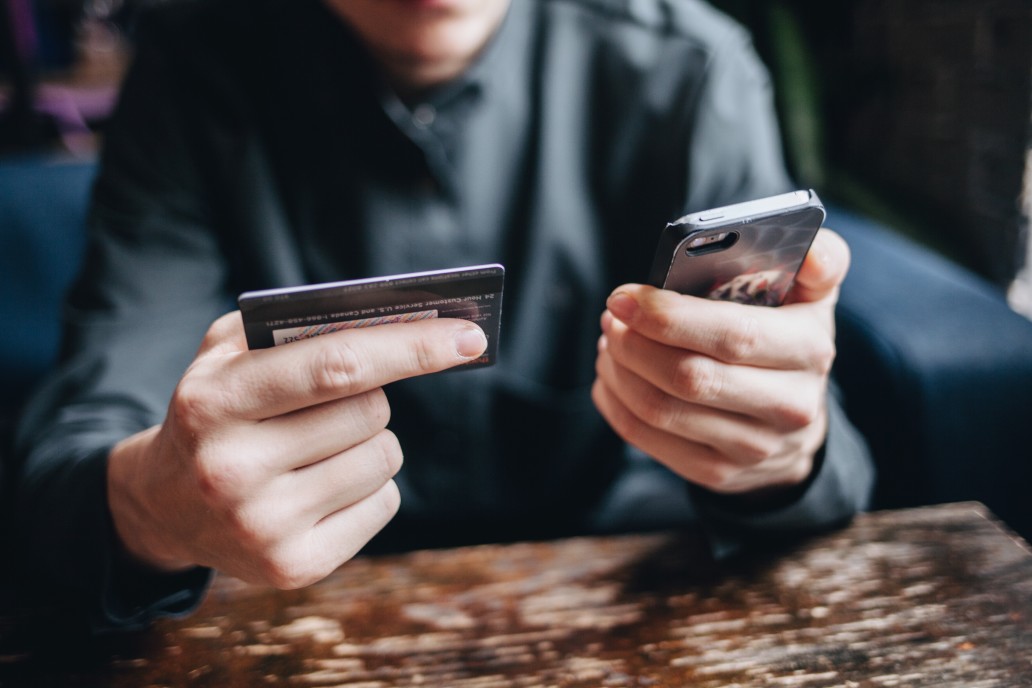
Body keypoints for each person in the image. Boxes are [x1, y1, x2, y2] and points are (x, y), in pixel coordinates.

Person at [12, 0, 874, 631]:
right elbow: (75, 456)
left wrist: (782, 453)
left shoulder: (693, 67)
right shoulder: (192, 63)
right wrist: (156, 508)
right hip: (293, 615)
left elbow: (811, 458)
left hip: (626, 595)